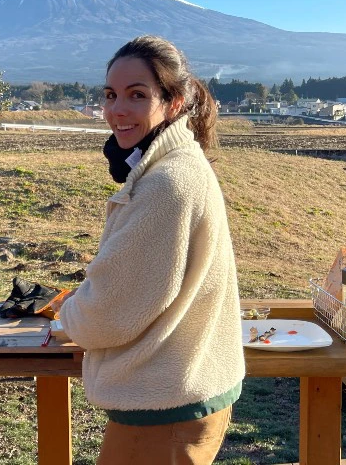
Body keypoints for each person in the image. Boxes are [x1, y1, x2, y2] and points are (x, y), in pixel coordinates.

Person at [59, 35, 245, 465]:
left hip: (167, 406)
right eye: (110, 95)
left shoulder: (165, 183)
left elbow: (110, 312)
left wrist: (69, 313)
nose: (117, 110)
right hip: (184, 392)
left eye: (137, 95)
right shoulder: (179, 163)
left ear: (174, 102)